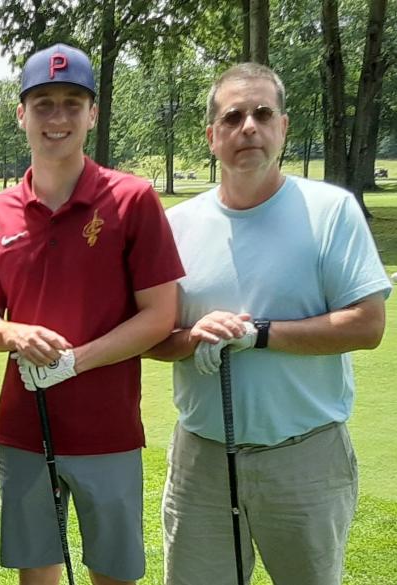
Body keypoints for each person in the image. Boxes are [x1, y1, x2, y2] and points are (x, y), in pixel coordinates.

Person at [146, 63, 391, 585]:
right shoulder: (176, 226)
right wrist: (195, 337)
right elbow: (154, 338)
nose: (248, 127)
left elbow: (367, 325)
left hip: (305, 460)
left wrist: (257, 334)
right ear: (212, 137)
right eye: (232, 117)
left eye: (262, 113)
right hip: (202, 462)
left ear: (283, 127)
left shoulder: (331, 211)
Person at [0, 43, 184, 585]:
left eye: (73, 103)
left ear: (93, 113)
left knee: (112, 573)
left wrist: (75, 361)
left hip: (107, 430)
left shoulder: (132, 199)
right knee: (37, 572)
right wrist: (14, 332)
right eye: (43, 103)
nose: (58, 117)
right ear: (21, 114)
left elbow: (161, 314)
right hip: (24, 428)